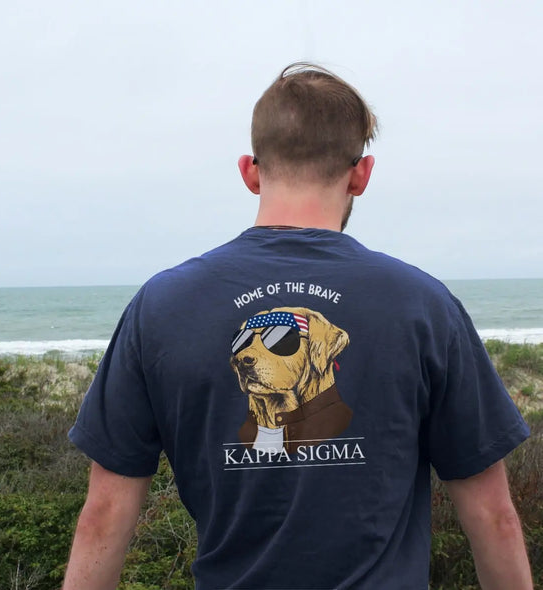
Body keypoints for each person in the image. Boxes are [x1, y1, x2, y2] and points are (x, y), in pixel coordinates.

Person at [62, 63, 533, 590]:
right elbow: (493, 517)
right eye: (246, 344)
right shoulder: (423, 305)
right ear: (362, 174)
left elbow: (104, 515)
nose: (247, 354)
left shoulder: (161, 306)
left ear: (250, 171)